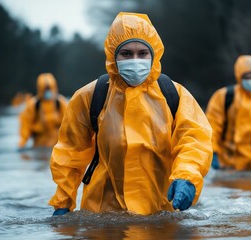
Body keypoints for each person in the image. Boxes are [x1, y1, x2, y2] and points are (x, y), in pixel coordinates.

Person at [49, 12, 213, 216]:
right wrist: (63, 202)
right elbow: (70, 152)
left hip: (160, 210)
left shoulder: (174, 94)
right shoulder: (90, 96)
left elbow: (194, 139)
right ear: (112, 55)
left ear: (153, 55)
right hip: (103, 215)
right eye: (126, 53)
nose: (135, 60)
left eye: (142, 53)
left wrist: (187, 175)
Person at [18, 73, 68, 149]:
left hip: (57, 145)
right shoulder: (33, 105)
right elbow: (25, 124)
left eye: (49, 89)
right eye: (45, 89)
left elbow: (69, 123)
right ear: (40, 89)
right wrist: (22, 143)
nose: (47, 92)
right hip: (39, 145)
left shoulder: (60, 103)